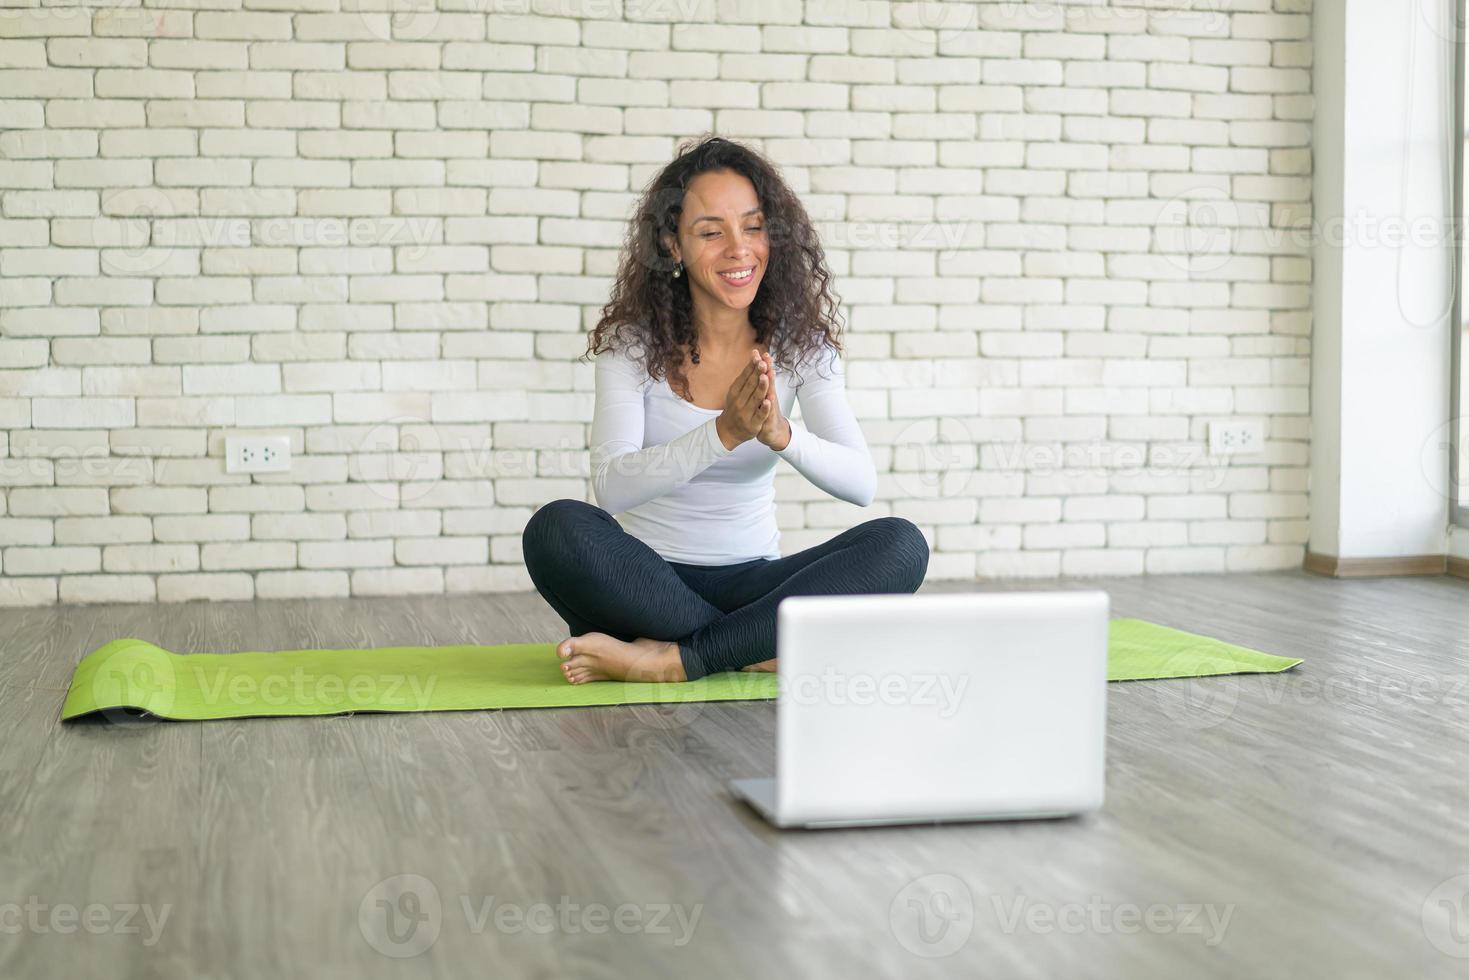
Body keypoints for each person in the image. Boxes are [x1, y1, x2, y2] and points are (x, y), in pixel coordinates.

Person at [522, 134, 929, 685]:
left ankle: (675, 659)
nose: (739, 249)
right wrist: (723, 433)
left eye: (754, 227)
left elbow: (860, 483)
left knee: (901, 545)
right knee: (555, 529)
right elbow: (611, 489)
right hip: (644, 586)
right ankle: (754, 647)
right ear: (672, 244)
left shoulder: (802, 348)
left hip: (753, 585)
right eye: (711, 232)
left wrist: (782, 434)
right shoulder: (631, 345)